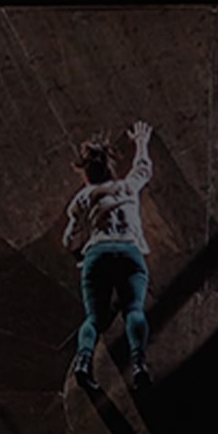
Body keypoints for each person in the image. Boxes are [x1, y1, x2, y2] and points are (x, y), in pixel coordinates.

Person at [63, 120, 154, 391]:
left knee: (94, 318)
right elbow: (143, 169)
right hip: (129, 252)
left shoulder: (83, 198)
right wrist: (141, 143)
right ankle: (138, 364)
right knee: (134, 310)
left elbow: (69, 239)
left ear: (86, 175)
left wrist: (77, 249)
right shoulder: (127, 188)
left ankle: (83, 361)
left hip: (97, 253)